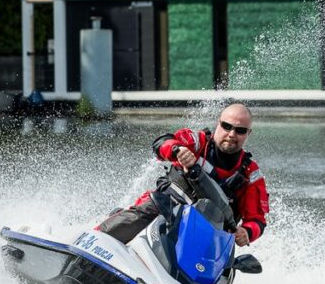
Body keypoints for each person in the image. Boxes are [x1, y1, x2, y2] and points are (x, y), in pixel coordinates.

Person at [97, 103, 269, 246]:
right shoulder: (198, 142)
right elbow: (162, 142)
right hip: (164, 207)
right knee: (146, 211)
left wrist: (246, 232)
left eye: (240, 130)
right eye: (227, 126)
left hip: (206, 235)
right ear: (218, 124)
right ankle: (97, 240)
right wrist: (176, 149)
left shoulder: (250, 174)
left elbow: (257, 220)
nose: (231, 134)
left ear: (248, 133)